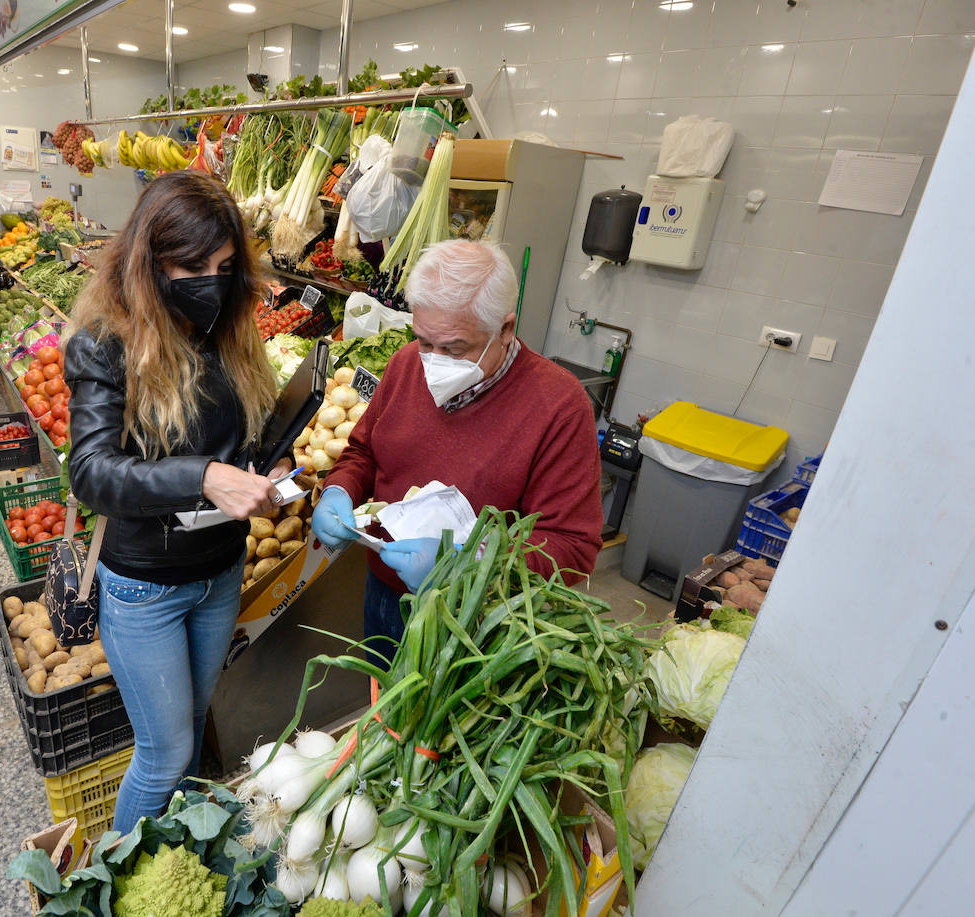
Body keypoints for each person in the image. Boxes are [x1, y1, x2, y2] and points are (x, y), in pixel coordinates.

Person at [65, 171, 286, 835]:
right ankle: (116, 886)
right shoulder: (106, 343)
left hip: (218, 572)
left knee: (190, 735)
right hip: (145, 587)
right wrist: (205, 475)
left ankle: (178, 857)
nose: (210, 282)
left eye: (224, 266)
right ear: (148, 261)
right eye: (191, 266)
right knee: (164, 757)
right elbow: (93, 472)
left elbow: (235, 435)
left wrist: (263, 464)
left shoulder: (227, 330)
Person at [311, 239, 604, 661]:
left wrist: (466, 564)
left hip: (476, 628)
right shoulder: (406, 364)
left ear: (504, 330)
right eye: (424, 341)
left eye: (453, 348)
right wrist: (340, 489)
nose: (432, 360)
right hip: (384, 595)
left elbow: (572, 547)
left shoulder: (558, 405)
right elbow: (364, 453)